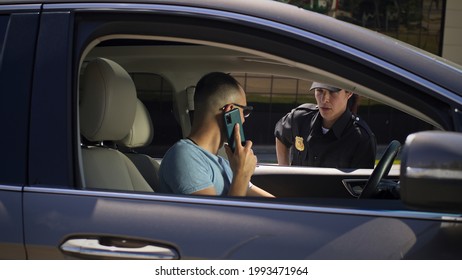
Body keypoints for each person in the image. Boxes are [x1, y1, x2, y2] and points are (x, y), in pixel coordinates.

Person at [158, 72, 274, 197]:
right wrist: (242, 173)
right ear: (230, 111)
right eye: (244, 111)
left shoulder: (224, 164)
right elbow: (216, 215)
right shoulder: (185, 157)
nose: (244, 120)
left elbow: (275, 205)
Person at [274, 82, 376, 168]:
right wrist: (285, 172)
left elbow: (360, 187)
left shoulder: (361, 138)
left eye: (333, 92)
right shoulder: (300, 118)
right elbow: (280, 135)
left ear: (348, 93)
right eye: (319, 91)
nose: (325, 99)